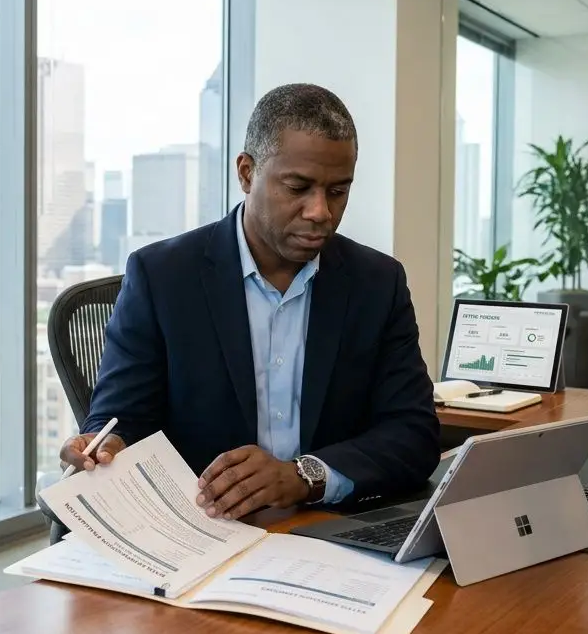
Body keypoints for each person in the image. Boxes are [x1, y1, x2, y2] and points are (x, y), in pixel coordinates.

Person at [58, 83, 439, 520]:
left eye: (338, 191)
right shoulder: (162, 277)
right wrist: (106, 446)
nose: (321, 212)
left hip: (326, 526)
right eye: (298, 187)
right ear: (246, 173)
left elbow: (413, 433)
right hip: (200, 528)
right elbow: (122, 418)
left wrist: (303, 476)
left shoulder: (377, 283)